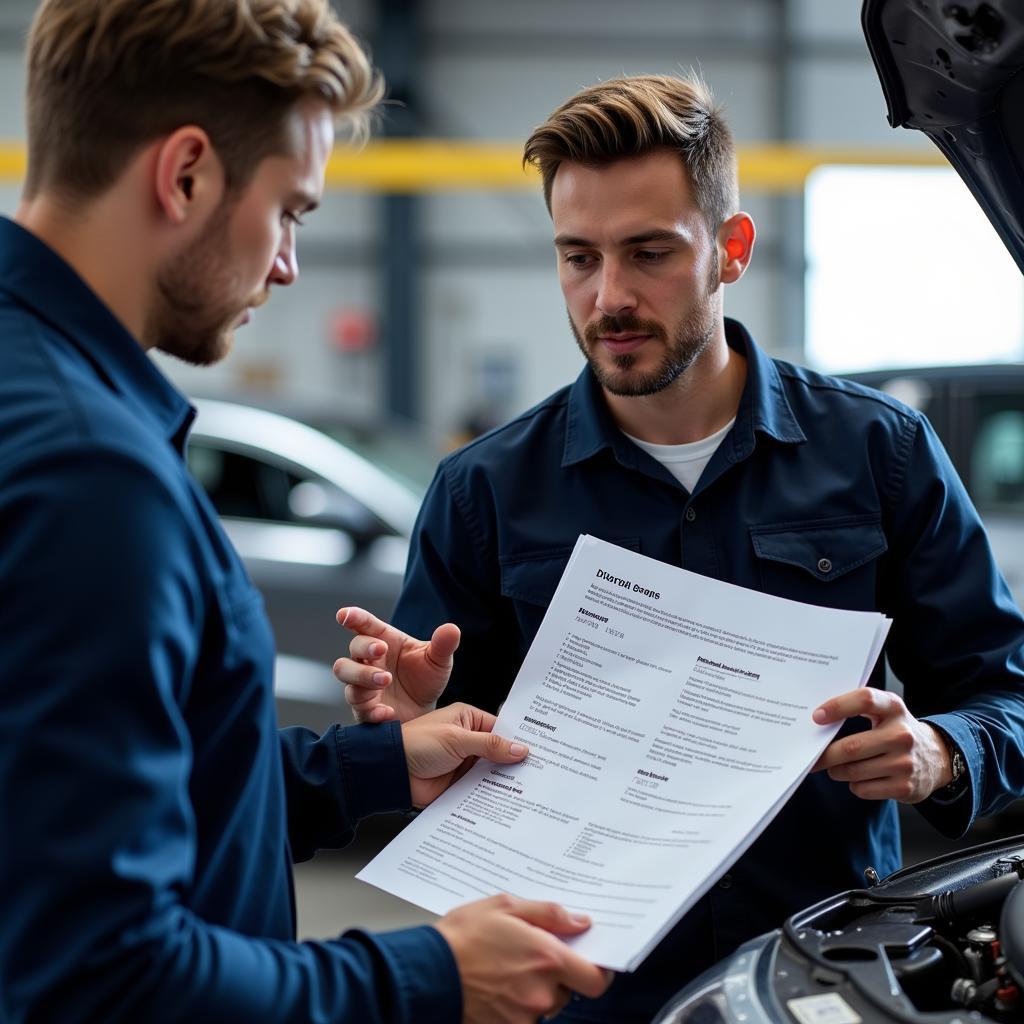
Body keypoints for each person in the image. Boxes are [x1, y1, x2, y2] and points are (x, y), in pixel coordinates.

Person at [334, 74, 1024, 1022]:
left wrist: (942, 752)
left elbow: (1011, 691)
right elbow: (441, 767)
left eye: (648, 253)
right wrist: (414, 722)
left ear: (730, 250)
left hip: (816, 980)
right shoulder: (484, 490)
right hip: (581, 989)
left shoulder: (881, 456)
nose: (608, 296)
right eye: (578, 257)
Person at [0, 1, 612, 1021]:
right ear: (185, 173)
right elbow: (97, 974)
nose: (286, 263)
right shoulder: (87, 474)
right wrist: (434, 974)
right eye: (290, 210)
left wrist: (371, 767)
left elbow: (103, 799)